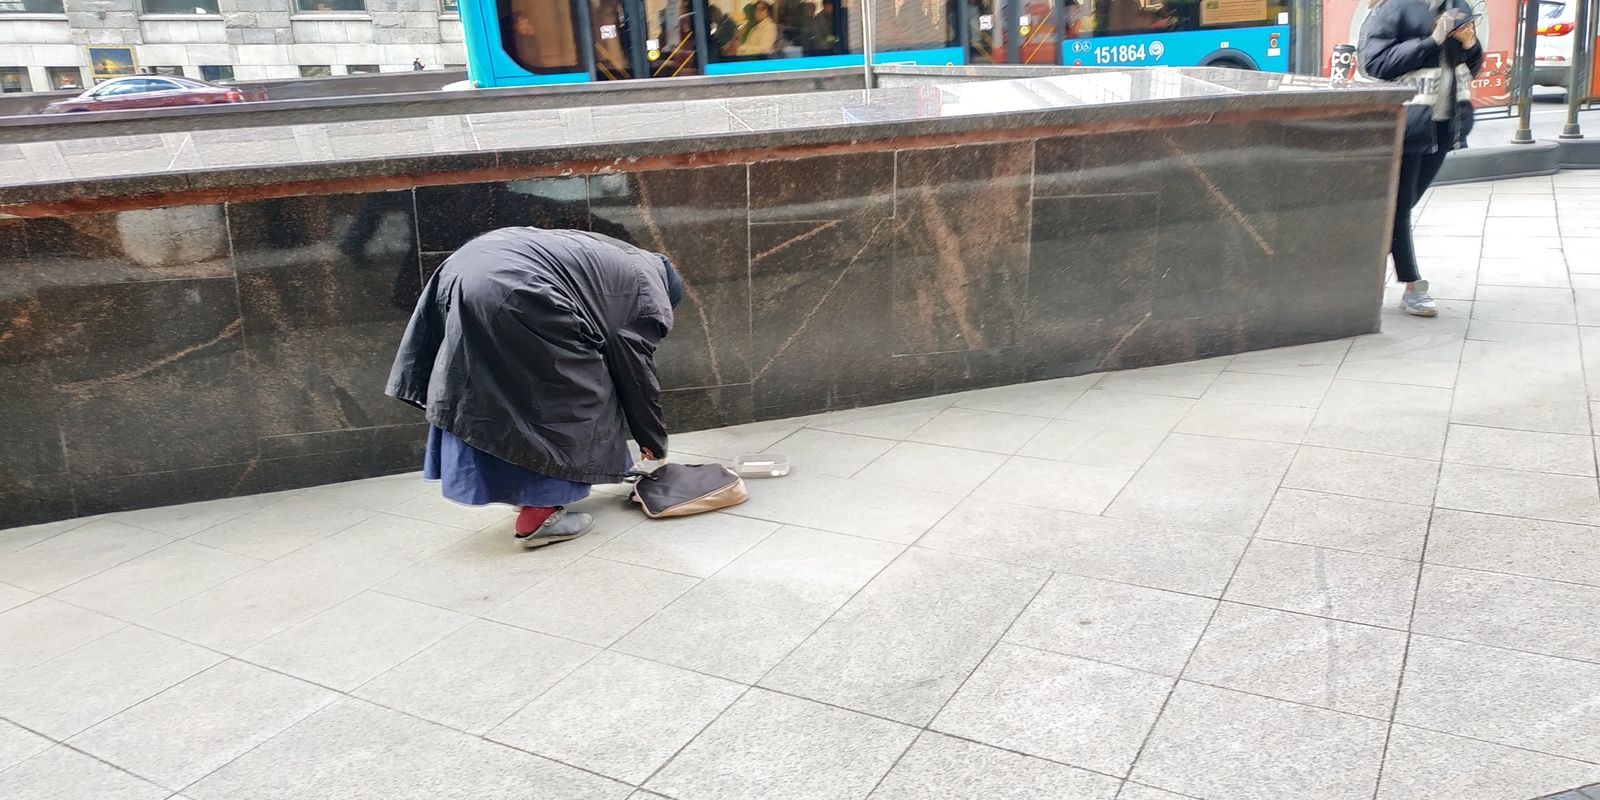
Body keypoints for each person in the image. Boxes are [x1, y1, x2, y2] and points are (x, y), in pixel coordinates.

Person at [387, 228, 683, 548]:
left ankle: (523, 487)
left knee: (492, 388)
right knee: (569, 392)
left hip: (461, 269)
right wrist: (654, 445)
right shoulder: (646, 294)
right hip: (515, 287)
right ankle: (540, 514)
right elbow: (635, 374)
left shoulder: (621, 258)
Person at [1359, 0, 1482, 317]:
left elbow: (1470, 67)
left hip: (1444, 124)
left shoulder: (1459, 6)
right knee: (1399, 206)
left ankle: (1356, 269)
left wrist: (1471, 45)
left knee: (1403, 203)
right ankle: (1413, 284)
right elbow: (1374, 63)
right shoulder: (1395, 9)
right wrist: (1432, 40)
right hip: (1406, 121)